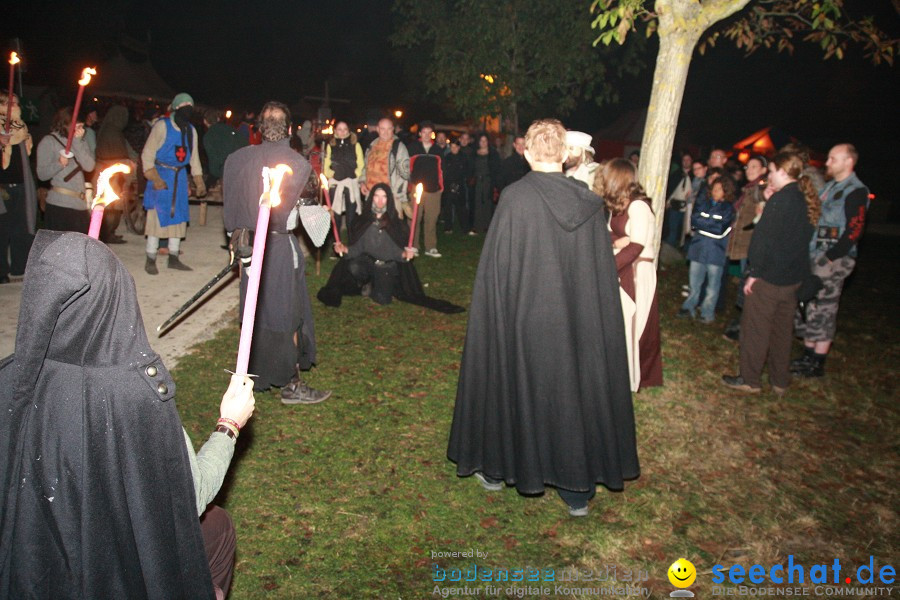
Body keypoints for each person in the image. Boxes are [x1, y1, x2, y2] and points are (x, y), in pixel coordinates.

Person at [0, 230, 256, 599]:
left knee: (216, 526)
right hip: (108, 562)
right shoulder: (134, 397)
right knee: (213, 526)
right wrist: (229, 424)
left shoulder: (11, 377)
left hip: (34, 552)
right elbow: (190, 494)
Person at [447, 119, 638, 517]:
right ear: (567, 155)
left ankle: (499, 469)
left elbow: (498, 271)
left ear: (528, 152)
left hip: (526, 319)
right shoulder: (588, 202)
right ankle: (576, 491)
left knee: (512, 382)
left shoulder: (517, 198)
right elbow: (598, 276)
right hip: (575, 322)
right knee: (573, 389)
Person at [223, 101, 331, 405]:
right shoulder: (298, 164)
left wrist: (238, 246)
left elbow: (230, 218)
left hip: (246, 252)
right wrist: (323, 208)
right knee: (287, 317)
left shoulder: (235, 160)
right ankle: (292, 385)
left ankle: (254, 376)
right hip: (279, 251)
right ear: (291, 129)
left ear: (258, 127)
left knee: (257, 313)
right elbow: (318, 233)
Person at [722, 151, 818, 394]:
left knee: (756, 330)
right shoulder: (804, 199)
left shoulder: (781, 200)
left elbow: (764, 240)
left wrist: (754, 272)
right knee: (782, 332)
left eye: (772, 170)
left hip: (769, 279)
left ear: (783, 172)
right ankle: (779, 380)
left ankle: (750, 378)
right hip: (791, 279)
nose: (770, 175)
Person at [317, 184, 463, 313]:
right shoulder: (364, 220)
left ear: (389, 199)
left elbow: (397, 253)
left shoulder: (395, 224)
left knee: (383, 300)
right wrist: (344, 249)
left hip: (385, 266)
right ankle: (367, 283)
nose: (380, 201)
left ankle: (376, 286)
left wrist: (405, 254)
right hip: (367, 262)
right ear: (371, 198)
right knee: (354, 265)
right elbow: (357, 249)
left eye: (384, 197)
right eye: (376, 196)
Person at [791, 143, 869, 378]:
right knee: (809, 305)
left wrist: (829, 258)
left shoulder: (856, 191)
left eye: (833, 159)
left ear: (848, 162)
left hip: (834, 260)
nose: (827, 163)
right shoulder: (829, 188)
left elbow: (854, 231)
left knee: (824, 309)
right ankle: (807, 355)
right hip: (815, 255)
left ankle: (817, 363)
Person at [594, 158, 662, 392]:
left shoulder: (638, 207)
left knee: (633, 323)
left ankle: (631, 377)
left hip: (635, 271)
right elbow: (608, 234)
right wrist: (618, 241)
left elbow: (637, 246)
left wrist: (607, 267)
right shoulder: (619, 205)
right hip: (623, 265)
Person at [142, 92, 206, 274]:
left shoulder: (191, 131)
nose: (187, 108)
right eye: (183, 104)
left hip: (179, 178)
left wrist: (198, 181)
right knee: (156, 218)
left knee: (178, 219)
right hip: (161, 176)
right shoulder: (162, 126)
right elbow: (148, 153)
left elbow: (194, 158)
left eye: (190, 104)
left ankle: (174, 257)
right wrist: (154, 177)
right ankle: (150, 257)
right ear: (175, 107)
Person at [678, 175, 736, 323]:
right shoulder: (703, 204)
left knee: (712, 286)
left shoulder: (728, 209)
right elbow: (694, 221)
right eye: (714, 189)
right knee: (694, 283)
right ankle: (689, 307)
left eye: (719, 189)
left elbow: (720, 229)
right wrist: (709, 222)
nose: (715, 192)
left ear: (726, 191)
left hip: (715, 253)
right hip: (698, 250)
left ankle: (707, 313)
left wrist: (704, 224)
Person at [723, 155, 768, 341]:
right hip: (742, 243)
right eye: (748, 166)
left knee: (749, 286)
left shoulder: (761, 191)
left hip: (751, 245)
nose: (749, 170)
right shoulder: (748, 189)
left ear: (764, 170)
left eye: (754, 167)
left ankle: (746, 325)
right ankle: (743, 322)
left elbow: (760, 220)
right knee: (744, 283)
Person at [36, 107, 96, 234]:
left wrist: (78, 142)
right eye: (77, 125)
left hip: (80, 205)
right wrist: (59, 163)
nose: (80, 129)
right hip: (60, 205)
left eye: (81, 126)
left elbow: (89, 166)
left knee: (79, 249)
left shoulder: (79, 141)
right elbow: (42, 174)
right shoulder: (49, 142)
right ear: (66, 123)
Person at [0, 91, 37, 283]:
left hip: (20, 183)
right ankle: (1, 271)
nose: (15, 106)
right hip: (2, 185)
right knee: (2, 228)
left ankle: (18, 267)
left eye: (16, 102)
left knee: (19, 226)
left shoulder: (19, 127)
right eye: (10, 103)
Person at [95, 104, 138, 244]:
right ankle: (107, 234)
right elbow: (118, 154)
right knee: (111, 205)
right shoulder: (111, 131)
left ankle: (110, 232)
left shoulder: (110, 129)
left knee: (113, 205)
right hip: (110, 173)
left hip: (109, 170)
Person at [406, 121, 444, 257]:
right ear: (420, 133)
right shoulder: (412, 148)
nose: (427, 135)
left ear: (432, 134)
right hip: (416, 188)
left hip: (434, 189)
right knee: (414, 217)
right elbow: (406, 168)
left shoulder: (438, 151)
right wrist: (408, 185)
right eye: (424, 132)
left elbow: (441, 170)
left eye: (429, 132)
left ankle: (430, 246)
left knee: (431, 218)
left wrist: (441, 187)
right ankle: (413, 245)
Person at [360, 117, 409, 219]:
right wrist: (362, 182)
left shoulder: (398, 147)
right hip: (372, 195)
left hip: (390, 197)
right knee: (372, 228)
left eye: (389, 129)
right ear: (377, 129)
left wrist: (397, 195)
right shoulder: (371, 146)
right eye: (382, 129)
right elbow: (365, 167)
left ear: (393, 130)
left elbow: (404, 174)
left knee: (392, 229)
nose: (385, 132)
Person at [324, 120, 365, 243]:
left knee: (351, 217)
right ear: (335, 130)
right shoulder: (330, 145)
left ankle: (352, 244)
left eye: (345, 129)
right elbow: (326, 165)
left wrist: (355, 175)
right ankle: (336, 244)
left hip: (351, 183)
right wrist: (332, 174)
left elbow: (361, 163)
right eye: (339, 129)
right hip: (335, 183)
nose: (342, 132)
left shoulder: (355, 144)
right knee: (335, 215)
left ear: (349, 131)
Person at [470, 132, 499, 234]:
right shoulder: (474, 153)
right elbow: (471, 168)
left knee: (488, 203)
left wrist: (495, 184)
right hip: (477, 182)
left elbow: (496, 169)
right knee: (477, 203)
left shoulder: (493, 153)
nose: (483, 143)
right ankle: (477, 226)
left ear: (488, 142)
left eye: (485, 141)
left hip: (488, 181)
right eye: (481, 141)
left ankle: (488, 226)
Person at [664, 152, 693, 248]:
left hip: (688, 207)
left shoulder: (694, 176)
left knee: (686, 230)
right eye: (684, 160)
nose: (686, 162)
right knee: (673, 228)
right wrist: (667, 201)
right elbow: (671, 189)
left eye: (688, 160)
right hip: (675, 205)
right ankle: (670, 249)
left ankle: (684, 250)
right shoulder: (677, 174)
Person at [440, 137, 469, 234]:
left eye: (455, 147)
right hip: (448, 186)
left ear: (459, 147)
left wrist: (458, 184)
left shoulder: (464, 157)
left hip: (460, 186)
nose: (454, 149)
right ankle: (448, 227)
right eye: (452, 147)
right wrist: (449, 185)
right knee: (448, 207)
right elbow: (444, 172)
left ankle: (464, 228)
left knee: (461, 208)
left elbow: (466, 171)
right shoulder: (447, 157)